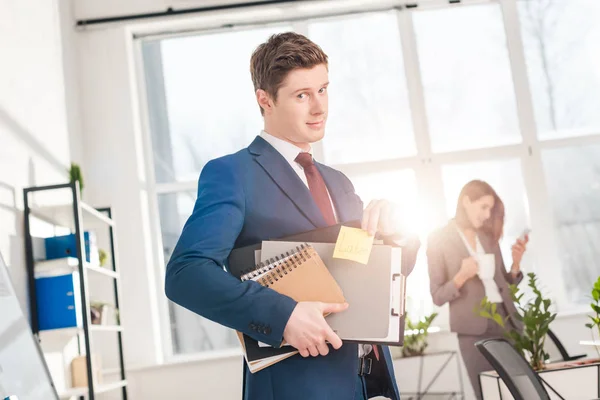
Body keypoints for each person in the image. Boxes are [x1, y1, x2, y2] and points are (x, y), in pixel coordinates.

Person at [165, 32, 411, 400]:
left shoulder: (339, 183)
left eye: (323, 90)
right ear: (265, 100)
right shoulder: (233, 174)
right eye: (302, 95)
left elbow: (372, 273)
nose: (319, 107)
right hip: (300, 387)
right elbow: (186, 274)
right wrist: (283, 317)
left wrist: (396, 237)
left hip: (372, 383)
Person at [427, 180, 528, 400]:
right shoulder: (438, 239)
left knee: (520, 390)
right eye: (483, 207)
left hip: (507, 320)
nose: (487, 214)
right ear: (466, 202)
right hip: (473, 330)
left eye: (490, 209)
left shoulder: (487, 236)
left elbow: (504, 283)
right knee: (487, 393)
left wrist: (515, 265)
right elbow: (437, 295)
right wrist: (461, 276)